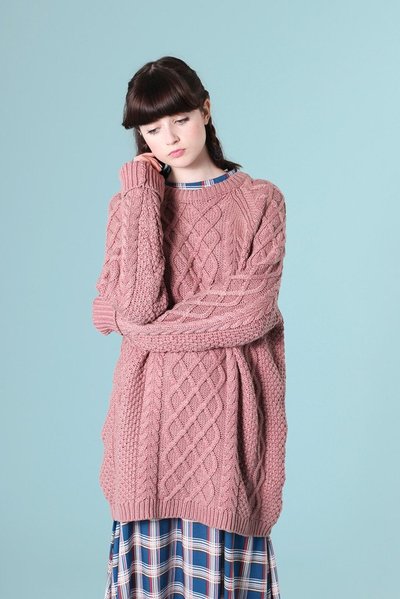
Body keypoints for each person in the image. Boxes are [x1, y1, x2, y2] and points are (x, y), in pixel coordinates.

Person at [92, 55, 287, 599]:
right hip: (148, 418)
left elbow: (249, 312)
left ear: (206, 109)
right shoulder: (130, 206)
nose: (169, 138)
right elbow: (138, 303)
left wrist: (138, 330)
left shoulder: (260, 201)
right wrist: (141, 196)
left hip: (228, 415)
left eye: (179, 119)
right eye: (152, 129)